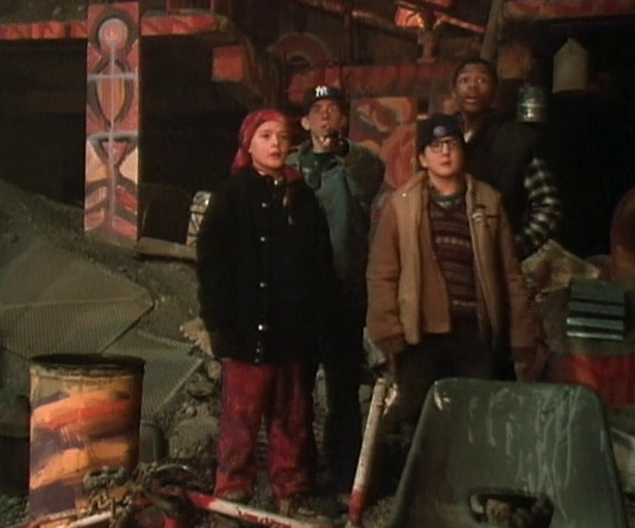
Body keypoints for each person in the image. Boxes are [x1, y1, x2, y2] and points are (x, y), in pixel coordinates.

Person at [196, 108, 334, 524]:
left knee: (292, 418)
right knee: (240, 420)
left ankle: (291, 493)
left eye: (282, 137)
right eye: (266, 136)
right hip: (245, 332)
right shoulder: (230, 197)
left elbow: (320, 266)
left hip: (292, 335)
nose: (276, 144)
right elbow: (212, 267)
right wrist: (218, 324)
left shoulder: (302, 198)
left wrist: (318, 326)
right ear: (249, 144)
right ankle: (231, 495)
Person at [366, 113, 544, 426]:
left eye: (451, 144)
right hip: (420, 334)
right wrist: (388, 331)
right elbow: (382, 273)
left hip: (474, 332)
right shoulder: (401, 206)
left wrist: (522, 338)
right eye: (435, 146)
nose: (445, 152)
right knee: (414, 419)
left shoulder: (489, 203)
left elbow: (510, 276)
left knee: (473, 419)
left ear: (463, 151)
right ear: (423, 158)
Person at [286, 84, 385, 497]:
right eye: (318, 109)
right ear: (304, 121)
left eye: (333, 109)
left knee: (342, 387)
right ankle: (298, 469)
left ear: (344, 120)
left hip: (343, 292)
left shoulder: (358, 165)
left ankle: (344, 473)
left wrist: (340, 150)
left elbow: (370, 178)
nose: (326, 116)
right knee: (296, 384)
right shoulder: (289, 165)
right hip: (296, 294)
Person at [453, 56, 562, 260]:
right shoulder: (444, 137)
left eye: (482, 80)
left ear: (494, 93)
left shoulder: (515, 138)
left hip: (498, 255)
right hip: (452, 253)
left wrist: (513, 248)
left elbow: (548, 205)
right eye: (465, 80)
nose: (473, 86)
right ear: (454, 92)